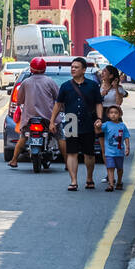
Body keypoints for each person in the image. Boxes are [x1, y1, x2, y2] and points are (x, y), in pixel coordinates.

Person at [50, 56, 103, 191]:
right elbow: (58, 105)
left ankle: (89, 178)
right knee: (72, 153)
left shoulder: (92, 86)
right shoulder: (66, 86)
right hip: (70, 121)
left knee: (89, 154)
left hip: (88, 122)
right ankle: (73, 181)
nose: (73, 69)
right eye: (72, 67)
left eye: (76, 67)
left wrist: (99, 118)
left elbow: (98, 103)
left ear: (84, 70)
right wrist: (52, 121)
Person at [9, 57, 60, 169]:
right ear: (44, 69)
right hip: (48, 118)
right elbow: (58, 97)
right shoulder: (50, 81)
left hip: (29, 118)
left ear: (31, 69)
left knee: (23, 137)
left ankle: (13, 160)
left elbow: (19, 100)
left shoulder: (25, 82)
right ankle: (67, 162)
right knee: (60, 137)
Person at [99, 104, 131, 191]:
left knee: (119, 169)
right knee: (110, 168)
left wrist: (128, 147)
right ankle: (111, 184)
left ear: (120, 114)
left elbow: (126, 137)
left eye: (116, 113)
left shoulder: (122, 126)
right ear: (108, 115)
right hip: (109, 152)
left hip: (119, 152)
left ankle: (119, 182)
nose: (113, 114)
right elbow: (98, 130)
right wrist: (97, 125)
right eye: (111, 113)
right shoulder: (106, 125)